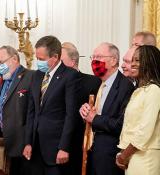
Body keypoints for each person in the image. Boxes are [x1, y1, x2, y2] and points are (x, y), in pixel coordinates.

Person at [22, 35, 78, 175]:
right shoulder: (37, 75)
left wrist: (64, 147)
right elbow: (31, 111)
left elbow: (70, 115)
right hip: (35, 149)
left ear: (55, 56)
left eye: (41, 59)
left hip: (56, 149)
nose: (38, 63)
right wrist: (28, 142)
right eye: (37, 58)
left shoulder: (70, 76)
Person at [79, 42, 135, 175]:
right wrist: (85, 112)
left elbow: (121, 124)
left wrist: (94, 118)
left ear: (114, 60)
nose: (94, 61)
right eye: (93, 57)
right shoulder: (97, 83)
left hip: (110, 157)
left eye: (99, 56)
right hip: (92, 153)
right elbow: (94, 114)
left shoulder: (125, 86)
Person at [0, 45, 34, 175]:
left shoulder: (31, 77)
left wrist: (29, 142)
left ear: (14, 59)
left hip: (22, 144)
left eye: (1, 62)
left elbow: (33, 113)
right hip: (1, 143)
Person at [116, 45, 160, 175]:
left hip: (146, 158)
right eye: (132, 60)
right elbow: (131, 127)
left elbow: (144, 131)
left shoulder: (154, 90)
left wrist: (124, 156)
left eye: (138, 60)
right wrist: (123, 153)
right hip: (133, 156)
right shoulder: (139, 91)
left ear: (150, 63)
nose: (133, 64)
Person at [60, 42, 101, 175]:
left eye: (60, 61)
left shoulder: (94, 82)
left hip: (81, 144)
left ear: (73, 62)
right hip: (56, 143)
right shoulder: (53, 82)